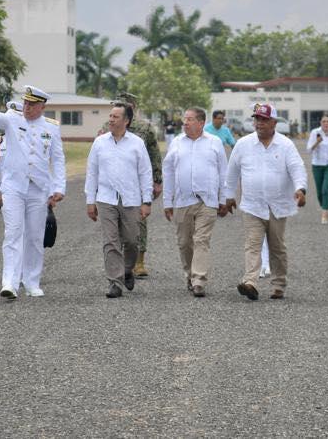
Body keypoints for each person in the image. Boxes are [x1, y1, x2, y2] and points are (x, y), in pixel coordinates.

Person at [0, 86, 66, 299]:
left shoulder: (51, 128)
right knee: (13, 232)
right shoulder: (13, 121)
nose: (27, 107)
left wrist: (58, 187)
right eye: (25, 103)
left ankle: (32, 281)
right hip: (14, 187)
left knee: (35, 236)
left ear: (42, 107)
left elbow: (58, 158)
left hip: (38, 189)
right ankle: (9, 282)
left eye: (32, 104)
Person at [225, 103, 307, 301]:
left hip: (277, 206)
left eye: (263, 120)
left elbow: (297, 168)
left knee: (277, 247)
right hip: (252, 204)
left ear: (274, 122)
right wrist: (228, 196)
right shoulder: (243, 144)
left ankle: (278, 284)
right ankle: (250, 282)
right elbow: (232, 172)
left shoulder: (286, 144)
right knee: (252, 244)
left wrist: (300, 189)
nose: (259, 123)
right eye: (256, 119)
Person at [85, 103, 153, 298]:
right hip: (106, 199)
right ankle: (115, 282)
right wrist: (90, 200)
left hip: (131, 199)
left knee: (132, 240)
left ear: (126, 121)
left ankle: (127, 269)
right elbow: (92, 173)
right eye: (110, 116)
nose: (111, 120)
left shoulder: (137, 143)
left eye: (116, 117)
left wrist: (146, 200)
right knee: (111, 241)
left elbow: (145, 172)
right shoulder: (99, 142)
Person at [163, 107, 229, 297]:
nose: (185, 122)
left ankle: (199, 280)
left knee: (201, 240)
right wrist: (168, 201)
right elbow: (168, 172)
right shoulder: (176, 143)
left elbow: (223, 172)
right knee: (184, 243)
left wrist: (223, 198)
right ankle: (190, 275)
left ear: (201, 123)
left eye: (190, 119)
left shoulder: (214, 143)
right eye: (185, 119)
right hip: (183, 201)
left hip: (207, 201)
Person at [112, 92, 163, 278]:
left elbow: (155, 154)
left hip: (139, 182)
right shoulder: (107, 126)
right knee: (115, 223)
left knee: (139, 222)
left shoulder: (145, 128)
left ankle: (139, 261)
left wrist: (157, 181)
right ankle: (118, 263)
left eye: (123, 105)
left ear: (132, 107)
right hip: (115, 182)